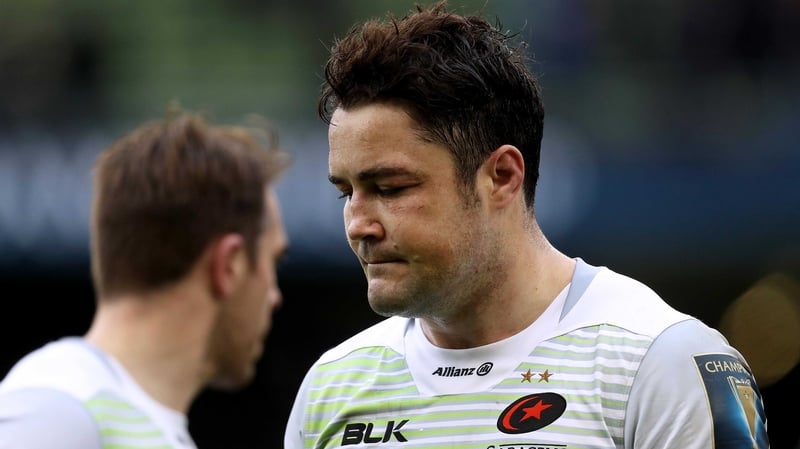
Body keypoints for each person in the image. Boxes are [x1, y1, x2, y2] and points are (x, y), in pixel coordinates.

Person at [284, 2, 769, 448]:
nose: (358, 225)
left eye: (390, 188)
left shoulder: (660, 361)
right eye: (346, 193)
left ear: (502, 177)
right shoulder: (332, 386)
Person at [0, 110, 291, 448]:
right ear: (230, 265)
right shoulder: (57, 409)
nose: (274, 295)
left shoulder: (103, 413)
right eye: (273, 262)